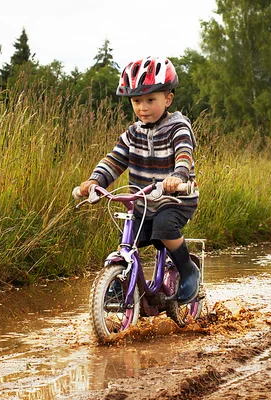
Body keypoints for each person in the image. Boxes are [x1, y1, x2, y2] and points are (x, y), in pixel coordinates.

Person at [77, 56, 200, 304]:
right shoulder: (132, 134)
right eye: (136, 101)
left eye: (150, 100)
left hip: (175, 199)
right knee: (129, 239)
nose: (143, 107)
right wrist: (95, 181)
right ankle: (122, 282)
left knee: (165, 227)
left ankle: (188, 270)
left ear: (168, 99)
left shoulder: (178, 128)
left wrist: (178, 176)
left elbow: (184, 153)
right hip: (144, 202)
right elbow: (115, 160)